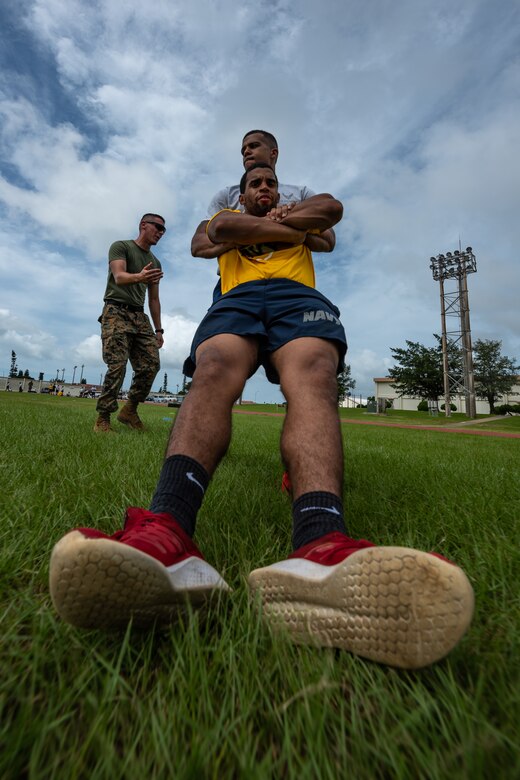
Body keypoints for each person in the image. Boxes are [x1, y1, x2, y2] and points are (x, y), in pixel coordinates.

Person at [49, 166, 474, 670]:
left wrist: (289, 219)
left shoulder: (302, 207)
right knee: (213, 368)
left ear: (282, 189)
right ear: (242, 192)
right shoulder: (233, 215)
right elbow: (221, 232)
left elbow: (332, 210)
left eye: (271, 182)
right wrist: (292, 227)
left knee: (316, 372)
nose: (265, 187)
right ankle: (167, 529)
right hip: (238, 299)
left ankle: (320, 541)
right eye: (255, 183)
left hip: (299, 298)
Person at [93, 213, 166, 433]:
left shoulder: (156, 261)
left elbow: (154, 299)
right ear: (143, 225)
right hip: (115, 311)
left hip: (139, 316)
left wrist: (159, 329)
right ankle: (103, 419)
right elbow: (119, 276)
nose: (161, 232)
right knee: (117, 365)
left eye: (164, 230)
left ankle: (130, 410)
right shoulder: (121, 246)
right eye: (158, 227)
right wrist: (140, 277)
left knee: (151, 364)